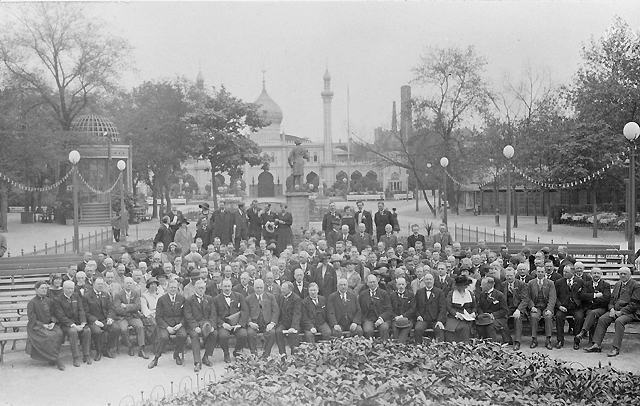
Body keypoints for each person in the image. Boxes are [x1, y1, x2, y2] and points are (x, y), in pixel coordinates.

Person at [585, 267, 640, 357]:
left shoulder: (636, 285)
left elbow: (635, 304)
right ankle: (596, 344)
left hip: (630, 312)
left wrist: (621, 312)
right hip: (615, 310)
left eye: (625, 274)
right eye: (621, 274)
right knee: (602, 319)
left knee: (619, 321)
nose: (622, 275)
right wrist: (611, 309)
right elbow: (611, 299)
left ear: (630, 274)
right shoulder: (618, 284)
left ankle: (615, 348)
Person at [148, 279, 188, 369]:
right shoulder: (162, 299)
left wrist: (180, 324)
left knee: (183, 335)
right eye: (171, 287)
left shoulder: (182, 298)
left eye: (175, 287)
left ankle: (176, 354)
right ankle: (156, 358)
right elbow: (158, 317)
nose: (173, 289)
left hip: (178, 324)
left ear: (177, 288)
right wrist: (167, 327)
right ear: (167, 288)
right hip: (165, 324)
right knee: (164, 337)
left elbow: (185, 314)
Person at [26, 281, 65, 370]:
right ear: (36, 289)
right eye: (42, 288)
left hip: (49, 325)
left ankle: (52, 358)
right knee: (48, 337)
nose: (44, 290)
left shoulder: (49, 301)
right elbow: (32, 319)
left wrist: (52, 322)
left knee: (59, 333)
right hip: (36, 326)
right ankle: (56, 359)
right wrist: (43, 325)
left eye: (45, 288)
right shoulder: (32, 302)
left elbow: (54, 314)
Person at [53, 280, 92, 367]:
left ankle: (86, 355)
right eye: (68, 288)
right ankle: (76, 357)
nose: (70, 290)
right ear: (63, 288)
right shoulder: (58, 299)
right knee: (73, 332)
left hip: (78, 323)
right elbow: (61, 316)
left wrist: (83, 323)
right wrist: (73, 325)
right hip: (66, 325)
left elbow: (81, 310)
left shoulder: (76, 296)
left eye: (72, 288)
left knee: (87, 330)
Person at [82, 277, 119, 361]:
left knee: (115, 328)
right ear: (93, 284)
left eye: (102, 284)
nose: (100, 286)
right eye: (98, 284)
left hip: (104, 319)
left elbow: (110, 308)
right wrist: (95, 321)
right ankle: (98, 352)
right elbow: (85, 312)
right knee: (97, 332)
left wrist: (109, 318)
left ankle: (107, 349)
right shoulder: (86, 296)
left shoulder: (105, 294)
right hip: (92, 321)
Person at [519, 266, 556, 350]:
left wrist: (549, 309)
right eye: (539, 272)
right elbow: (527, 296)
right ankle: (534, 339)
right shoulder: (531, 283)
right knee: (534, 317)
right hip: (536, 306)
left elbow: (552, 297)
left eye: (542, 272)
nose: (540, 273)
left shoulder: (550, 283)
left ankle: (548, 339)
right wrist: (531, 306)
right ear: (536, 272)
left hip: (546, 306)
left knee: (548, 317)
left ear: (545, 272)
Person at [213, 279, 249, 363]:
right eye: (225, 286)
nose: (227, 288)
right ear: (221, 287)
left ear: (231, 286)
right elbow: (214, 315)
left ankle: (237, 352)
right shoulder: (216, 299)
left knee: (243, 334)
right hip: (224, 325)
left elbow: (245, 310)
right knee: (223, 336)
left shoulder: (239, 296)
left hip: (237, 324)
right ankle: (226, 353)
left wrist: (240, 324)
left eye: (229, 286)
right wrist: (223, 324)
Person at [185, 280, 217, 372]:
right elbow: (188, 316)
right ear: (195, 289)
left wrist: (212, 325)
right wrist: (195, 327)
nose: (201, 290)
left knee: (214, 333)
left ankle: (206, 357)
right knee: (195, 335)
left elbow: (213, 314)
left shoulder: (209, 299)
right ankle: (197, 362)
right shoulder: (189, 300)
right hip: (194, 326)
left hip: (207, 325)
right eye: (199, 288)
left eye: (202, 288)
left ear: (205, 289)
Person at [575, 267, 611, 347]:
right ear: (591, 274)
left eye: (598, 273)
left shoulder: (606, 285)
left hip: (601, 308)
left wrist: (591, 299)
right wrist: (595, 295)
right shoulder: (586, 284)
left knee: (593, 313)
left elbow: (606, 298)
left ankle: (583, 332)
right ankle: (592, 342)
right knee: (592, 316)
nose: (596, 275)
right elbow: (583, 296)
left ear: (601, 274)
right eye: (594, 273)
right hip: (589, 308)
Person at [114, 277, 148, 358]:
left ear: (133, 284)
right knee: (124, 329)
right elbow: (117, 309)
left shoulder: (136, 293)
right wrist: (131, 309)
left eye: (130, 283)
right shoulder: (118, 295)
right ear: (123, 284)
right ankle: (130, 346)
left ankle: (141, 348)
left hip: (134, 316)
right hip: (122, 317)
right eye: (127, 283)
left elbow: (138, 306)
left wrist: (126, 306)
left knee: (140, 326)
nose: (129, 285)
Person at [246, 279, 280, 357]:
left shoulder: (270, 297)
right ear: (254, 288)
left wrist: (272, 323)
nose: (259, 290)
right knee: (250, 333)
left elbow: (276, 310)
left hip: (267, 323)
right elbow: (245, 312)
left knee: (272, 333)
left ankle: (266, 354)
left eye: (261, 287)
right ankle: (254, 355)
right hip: (254, 324)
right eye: (257, 288)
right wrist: (250, 323)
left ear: (264, 287)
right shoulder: (248, 299)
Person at [554, 264, 584, 349]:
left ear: (573, 272)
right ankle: (560, 340)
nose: (564, 273)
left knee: (579, 318)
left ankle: (577, 341)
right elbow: (555, 296)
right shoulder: (559, 282)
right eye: (564, 272)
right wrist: (559, 306)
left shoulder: (580, 282)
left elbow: (583, 296)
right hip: (563, 307)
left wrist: (580, 305)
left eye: (567, 272)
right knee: (559, 316)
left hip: (576, 307)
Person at [359, 274, 393, 340]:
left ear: (377, 282)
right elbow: (359, 309)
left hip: (382, 318)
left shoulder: (384, 293)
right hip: (368, 318)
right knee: (368, 330)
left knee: (384, 328)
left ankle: (384, 344)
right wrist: (363, 319)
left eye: (374, 282)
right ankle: (369, 344)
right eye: (370, 282)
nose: (372, 284)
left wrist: (381, 318)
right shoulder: (363, 294)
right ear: (367, 283)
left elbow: (389, 309)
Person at [414, 273, 446, 343]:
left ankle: (440, 347)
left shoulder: (439, 292)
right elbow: (415, 307)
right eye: (427, 279)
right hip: (423, 319)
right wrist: (418, 315)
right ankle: (418, 346)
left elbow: (443, 308)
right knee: (417, 329)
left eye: (430, 279)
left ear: (433, 281)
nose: (428, 281)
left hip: (435, 320)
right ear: (424, 281)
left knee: (440, 329)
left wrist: (439, 320)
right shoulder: (419, 292)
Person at [476, 276, 508, 343]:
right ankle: (482, 343)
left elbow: (504, 310)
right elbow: (479, 307)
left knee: (490, 326)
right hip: (485, 317)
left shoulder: (499, 295)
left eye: (482, 285)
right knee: (479, 325)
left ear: (489, 285)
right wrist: (482, 314)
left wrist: (492, 315)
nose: (481, 286)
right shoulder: (482, 294)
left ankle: (492, 344)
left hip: (498, 318)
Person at [444, 275, 476, 343]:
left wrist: (473, 313)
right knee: (454, 328)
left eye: (466, 285)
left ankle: (466, 344)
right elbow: (449, 307)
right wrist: (456, 314)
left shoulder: (469, 293)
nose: (465, 287)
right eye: (464, 285)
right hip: (454, 317)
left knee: (466, 327)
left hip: (468, 318)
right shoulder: (451, 294)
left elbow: (474, 306)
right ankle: (453, 345)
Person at [275, 281, 302, 355]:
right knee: (278, 332)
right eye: (282, 288)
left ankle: (295, 355)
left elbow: (297, 314)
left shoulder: (296, 299)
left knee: (293, 334)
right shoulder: (281, 297)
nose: (282, 290)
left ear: (290, 289)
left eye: (284, 289)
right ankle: (282, 354)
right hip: (283, 323)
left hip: (293, 324)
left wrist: (293, 327)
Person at [502, 268, 526, 350]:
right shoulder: (503, 285)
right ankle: (507, 340)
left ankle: (517, 342)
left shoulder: (521, 284)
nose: (509, 277)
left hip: (518, 307)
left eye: (511, 275)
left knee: (517, 318)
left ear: (514, 275)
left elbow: (525, 299)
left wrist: (519, 310)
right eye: (507, 276)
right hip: (507, 307)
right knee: (502, 318)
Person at [389, 277, 415, 344]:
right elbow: (389, 309)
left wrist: (402, 316)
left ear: (405, 285)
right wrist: (395, 317)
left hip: (408, 318)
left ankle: (399, 345)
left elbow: (412, 309)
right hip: (395, 319)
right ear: (396, 285)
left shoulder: (411, 295)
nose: (401, 286)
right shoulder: (392, 295)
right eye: (399, 284)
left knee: (406, 328)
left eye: (402, 284)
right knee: (395, 329)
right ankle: (395, 345)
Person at [140, 277, 161, 348]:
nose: (153, 286)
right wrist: (152, 314)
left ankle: (163, 342)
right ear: (148, 286)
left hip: (159, 314)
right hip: (148, 316)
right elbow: (144, 309)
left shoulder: (160, 294)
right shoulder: (144, 296)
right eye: (151, 284)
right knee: (154, 324)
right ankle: (156, 344)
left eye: (155, 284)